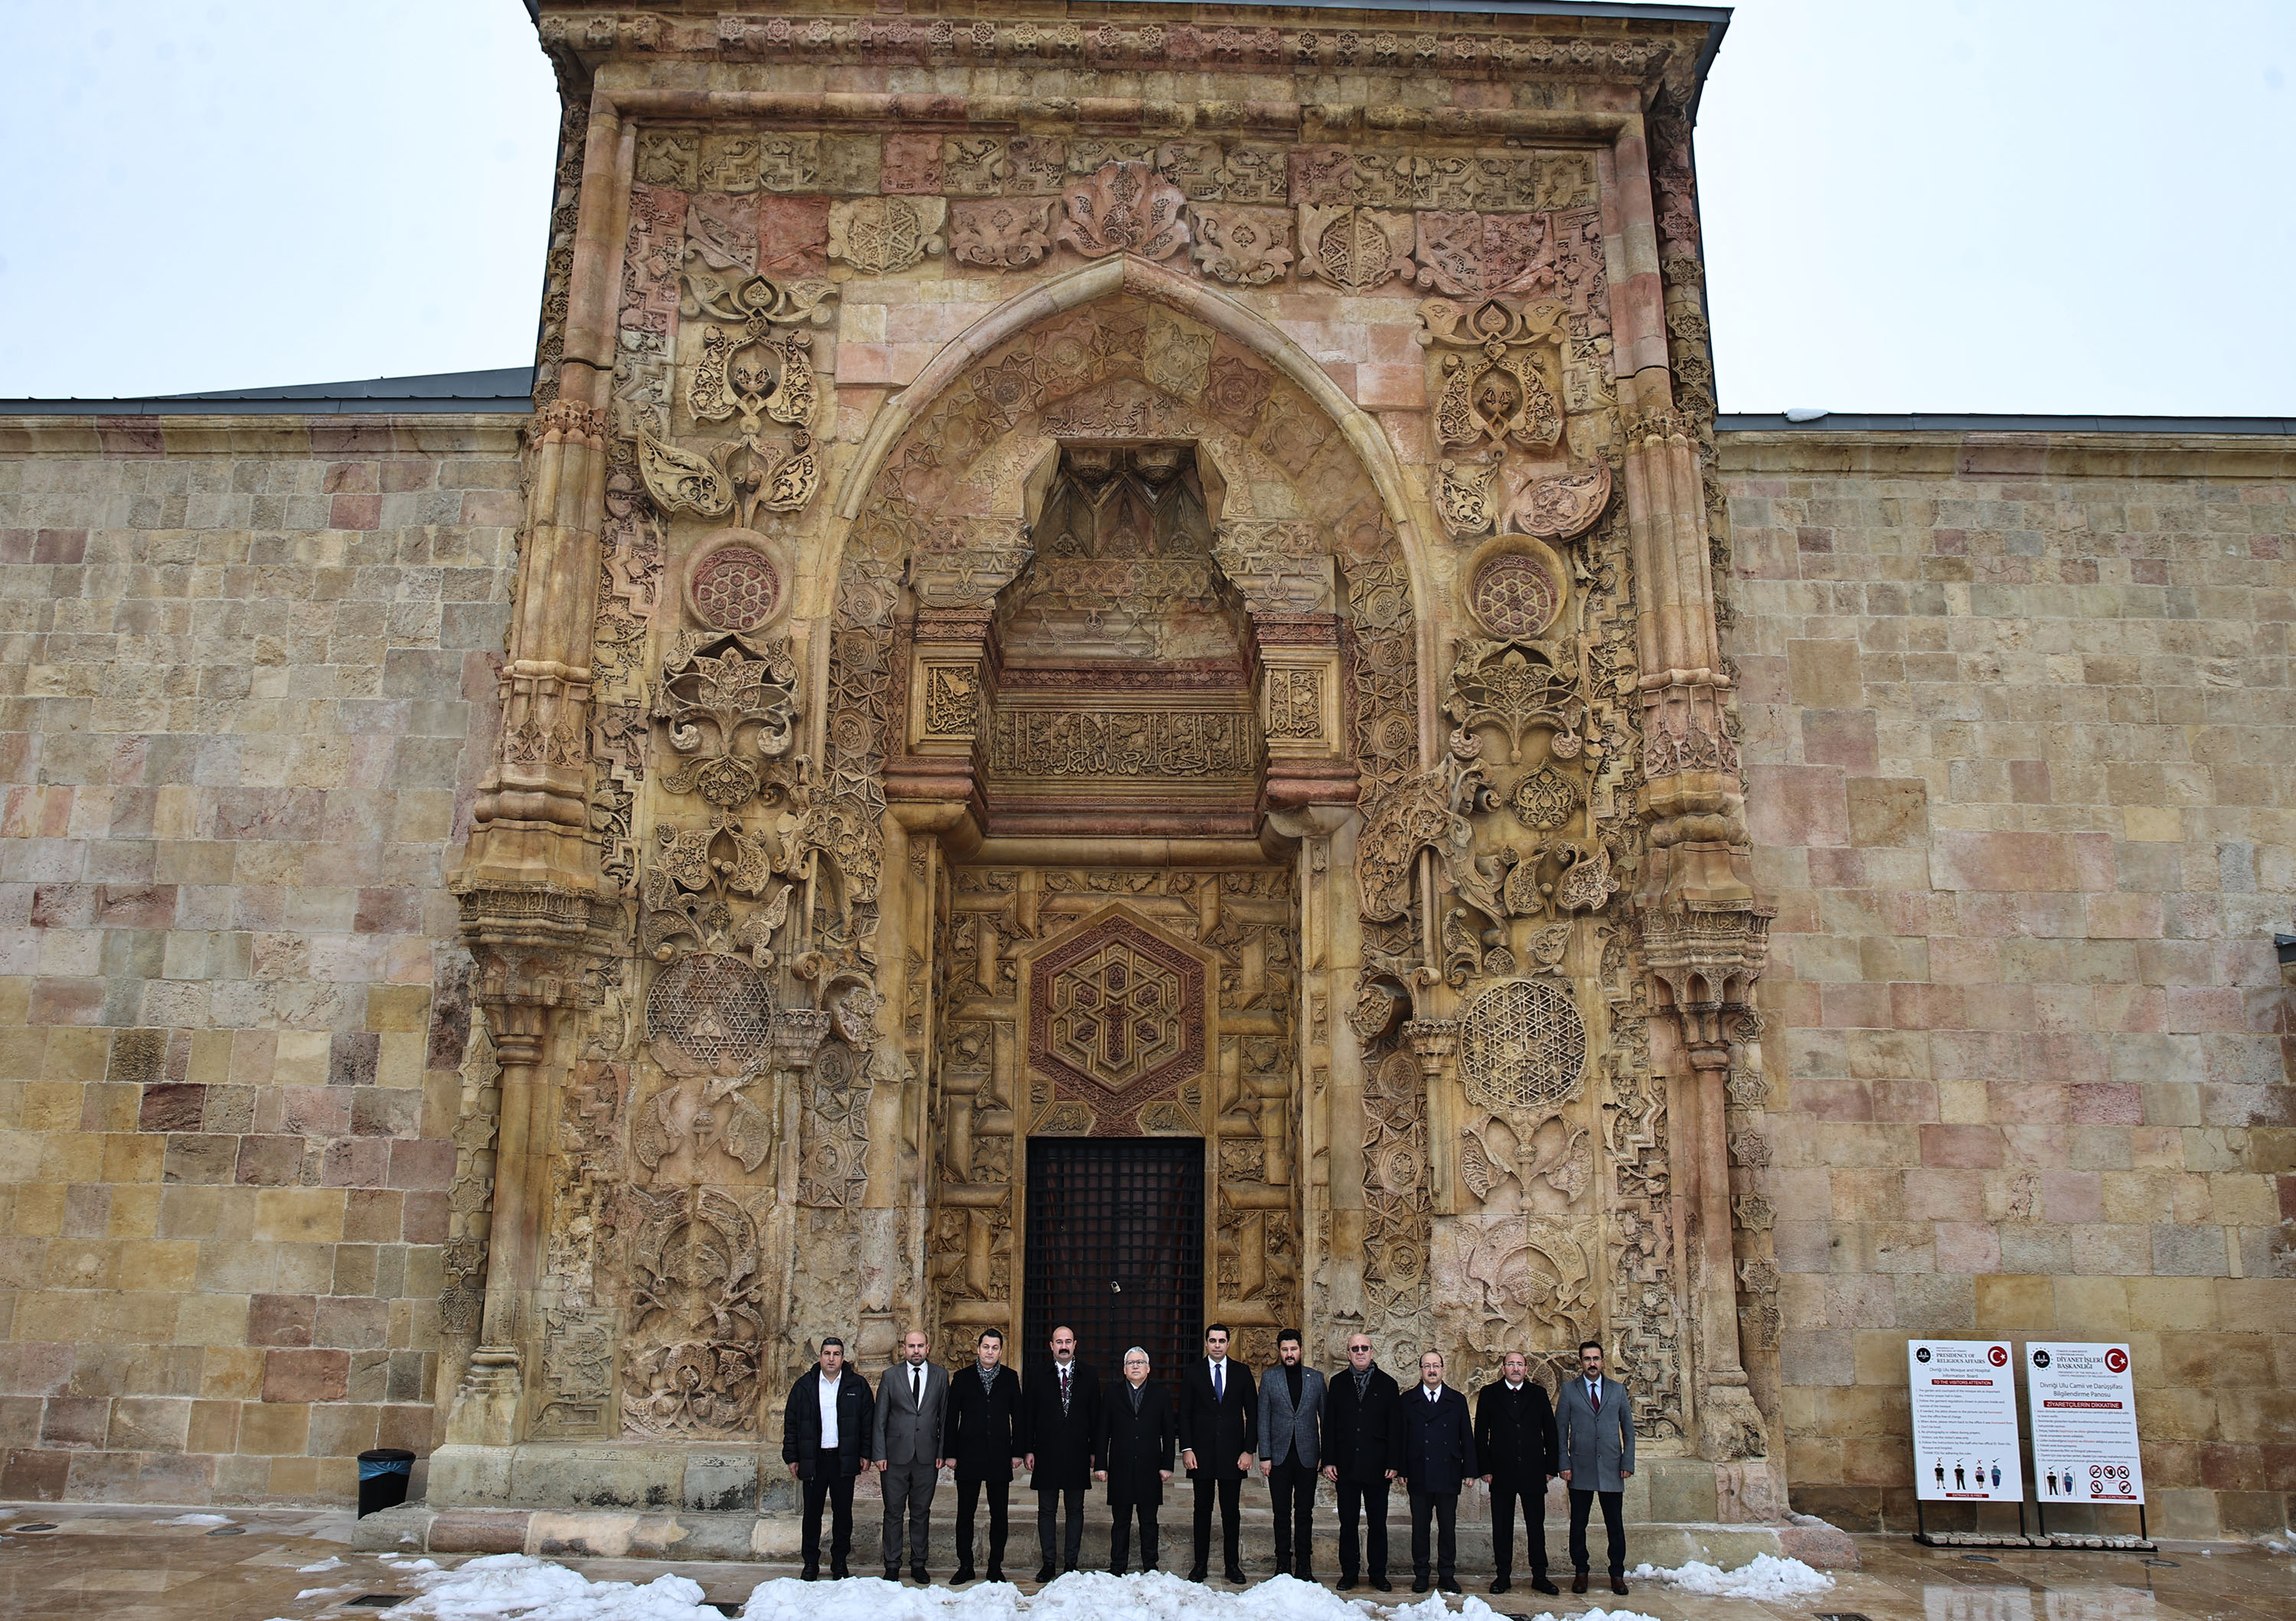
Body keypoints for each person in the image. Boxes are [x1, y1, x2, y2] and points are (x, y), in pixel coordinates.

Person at [781, 1336, 876, 1581]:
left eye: (836, 1354)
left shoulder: (857, 1385)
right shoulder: (804, 1386)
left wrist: (866, 1453)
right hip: (814, 1459)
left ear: (843, 1358)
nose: (831, 1358)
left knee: (843, 1513)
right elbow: (792, 1424)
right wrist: (792, 1457)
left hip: (843, 1460)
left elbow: (868, 1423)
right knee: (812, 1514)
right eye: (827, 1353)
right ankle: (811, 1562)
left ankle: (840, 1562)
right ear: (820, 1357)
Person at [942, 1327, 1027, 1583]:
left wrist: (1017, 1452)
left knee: (999, 1515)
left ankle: (995, 1566)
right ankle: (965, 1565)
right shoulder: (962, 1377)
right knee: (965, 1514)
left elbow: (1019, 1417)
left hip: (999, 1455)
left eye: (995, 1348)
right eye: (986, 1347)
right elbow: (951, 1417)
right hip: (969, 1455)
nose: (990, 1352)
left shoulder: (1010, 1378)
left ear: (1001, 1351)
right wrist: (950, 1454)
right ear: (978, 1349)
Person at [1388, 1349, 1476, 1594]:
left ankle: (1447, 1574)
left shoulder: (1456, 1399)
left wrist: (1469, 1469)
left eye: (1436, 1365)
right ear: (1420, 1370)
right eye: (1427, 1366)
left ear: (1443, 1369)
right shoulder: (1408, 1399)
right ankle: (1422, 1574)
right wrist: (1402, 1468)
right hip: (1418, 1470)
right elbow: (1401, 1437)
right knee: (1420, 1527)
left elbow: (1465, 1437)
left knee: (1448, 1527)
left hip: (1448, 1469)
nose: (1432, 1370)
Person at [1474, 1350, 1559, 1596]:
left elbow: (1550, 1433)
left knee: (1536, 1525)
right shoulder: (1490, 1394)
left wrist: (1550, 1467)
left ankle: (1540, 1575)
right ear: (1503, 1369)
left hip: (1533, 1470)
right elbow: (1481, 1434)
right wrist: (1485, 1468)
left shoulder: (1538, 1394)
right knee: (1502, 1526)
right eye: (1510, 1364)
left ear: (1526, 1369)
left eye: (1519, 1364)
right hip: (1501, 1471)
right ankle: (1503, 1575)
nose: (1515, 1368)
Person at [1177, 1322, 1257, 1583]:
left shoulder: (1242, 1372)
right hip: (1200, 1454)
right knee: (1202, 1509)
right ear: (1206, 1343)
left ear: (1228, 1342)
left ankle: (1232, 1565)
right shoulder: (1193, 1372)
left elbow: (1253, 1415)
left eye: (1222, 1341)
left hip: (1233, 1455)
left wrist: (1248, 1451)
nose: (1217, 1345)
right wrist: (1187, 1448)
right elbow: (1185, 1415)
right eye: (1213, 1341)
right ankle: (1200, 1565)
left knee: (1230, 1511)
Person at [1555, 1340, 1634, 1596]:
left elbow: (1629, 1430)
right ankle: (1581, 1571)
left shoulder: (1617, 1390)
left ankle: (1617, 1573)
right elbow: (1560, 1430)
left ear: (1602, 1361)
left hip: (1612, 1467)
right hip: (1581, 1467)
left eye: (1596, 1358)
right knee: (1579, 1523)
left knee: (1615, 1524)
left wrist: (1627, 1461)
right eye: (1587, 1359)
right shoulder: (1569, 1390)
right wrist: (1563, 1463)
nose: (1592, 1363)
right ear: (1581, 1362)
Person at [1322, 1332, 1399, 1593]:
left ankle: (1378, 1573)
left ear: (1372, 1352)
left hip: (1378, 1466)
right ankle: (1349, 1572)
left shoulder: (1388, 1384)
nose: (1360, 1352)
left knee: (1378, 1523)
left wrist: (1393, 1461)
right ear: (1348, 1353)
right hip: (1346, 1464)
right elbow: (1330, 1425)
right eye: (1354, 1348)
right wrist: (1329, 1460)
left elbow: (1394, 1427)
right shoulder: (1338, 1382)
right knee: (1348, 1523)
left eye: (1364, 1348)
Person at [1024, 1324, 1102, 1580]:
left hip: (1077, 1453)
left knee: (1075, 1509)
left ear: (1075, 1344)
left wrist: (1095, 1453)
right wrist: (1028, 1450)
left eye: (1068, 1341)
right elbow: (1029, 1416)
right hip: (1046, 1453)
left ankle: (1071, 1563)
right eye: (1059, 1341)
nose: (1064, 1346)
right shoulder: (1036, 1374)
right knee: (1046, 1510)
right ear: (1051, 1345)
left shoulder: (1089, 1375)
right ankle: (1048, 1563)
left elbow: (1096, 1419)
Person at [873, 1328, 948, 1583]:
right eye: (911, 1346)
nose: (916, 1351)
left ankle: (918, 1563)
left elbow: (944, 1418)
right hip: (894, 1457)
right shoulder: (890, 1376)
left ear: (928, 1348)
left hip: (927, 1457)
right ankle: (892, 1564)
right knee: (893, 1512)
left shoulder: (940, 1376)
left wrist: (942, 1452)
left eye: (920, 1346)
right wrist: (879, 1453)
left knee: (921, 1511)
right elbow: (880, 1419)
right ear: (903, 1348)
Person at [1096, 1346, 1175, 1574]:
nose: (1136, 1366)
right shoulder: (1112, 1394)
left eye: (1140, 1362)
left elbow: (1169, 1432)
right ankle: (1117, 1566)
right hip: (1120, 1466)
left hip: (1150, 1467)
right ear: (1124, 1369)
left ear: (1148, 1368)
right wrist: (1101, 1464)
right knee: (1120, 1521)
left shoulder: (1161, 1394)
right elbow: (1103, 1431)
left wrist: (1167, 1465)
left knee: (1149, 1521)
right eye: (1131, 1363)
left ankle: (1150, 1566)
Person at [1256, 1328, 1326, 1580]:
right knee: (1281, 1513)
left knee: (1305, 1512)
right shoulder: (1270, 1378)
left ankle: (1304, 1565)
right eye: (1284, 1349)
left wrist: (1324, 1456)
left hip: (1308, 1456)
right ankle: (1282, 1563)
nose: (1289, 1353)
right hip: (1279, 1457)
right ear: (1279, 1351)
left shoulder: (1316, 1379)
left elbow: (1325, 1420)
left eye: (1293, 1349)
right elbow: (1262, 1419)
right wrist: (1264, 1456)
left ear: (1301, 1349)